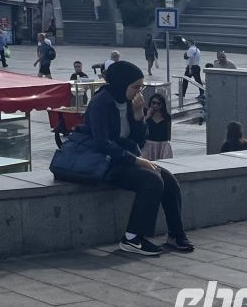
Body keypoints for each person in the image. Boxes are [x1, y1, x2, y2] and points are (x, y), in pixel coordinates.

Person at [80, 61, 193, 256]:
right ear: (121, 84)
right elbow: (101, 143)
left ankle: (176, 234)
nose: (139, 92)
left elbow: (139, 140)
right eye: (135, 87)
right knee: (152, 181)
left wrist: (139, 116)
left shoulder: (129, 102)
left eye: (141, 87)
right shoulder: (101, 103)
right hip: (103, 163)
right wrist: (137, 161)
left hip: (124, 159)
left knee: (169, 180)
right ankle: (132, 238)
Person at [143, 91, 173, 160]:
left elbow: (168, 134)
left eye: (158, 103)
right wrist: (147, 116)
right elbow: (140, 125)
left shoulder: (166, 116)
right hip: (149, 144)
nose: (155, 105)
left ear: (162, 105)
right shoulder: (145, 113)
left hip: (163, 145)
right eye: (153, 103)